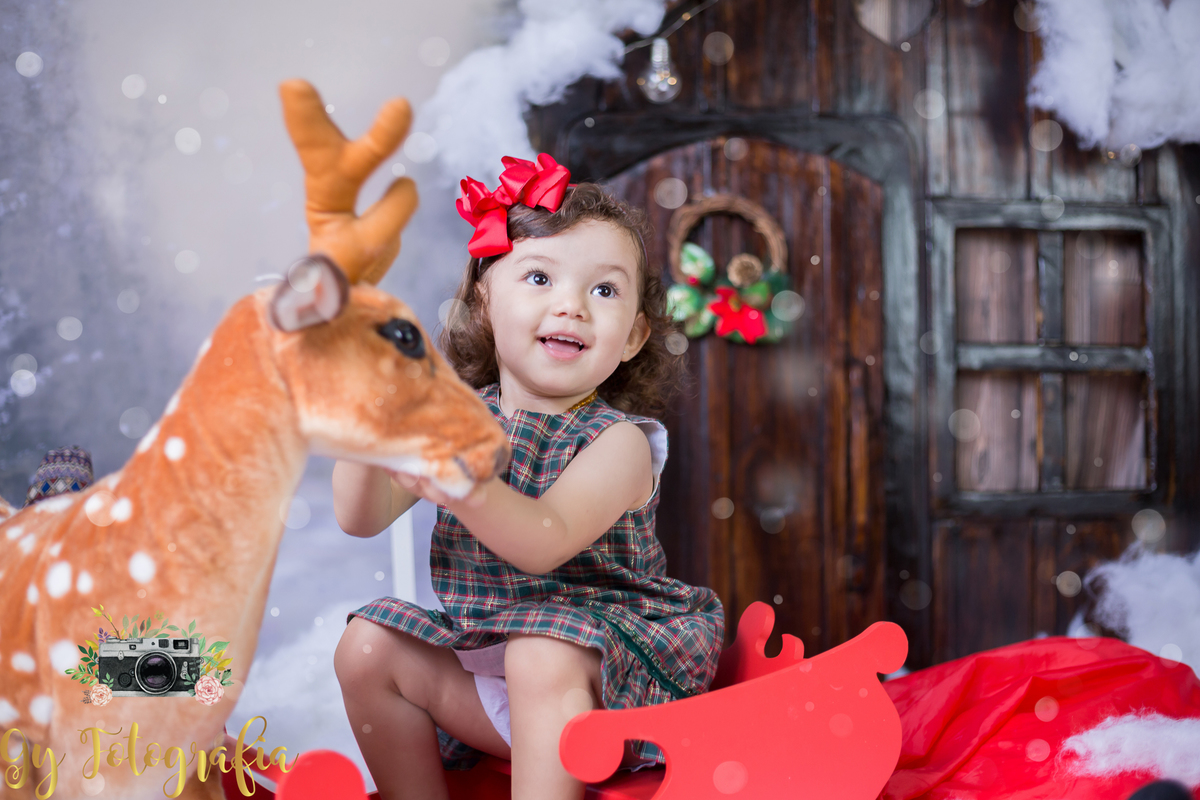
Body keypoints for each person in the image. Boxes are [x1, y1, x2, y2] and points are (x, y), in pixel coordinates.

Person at [330, 153, 725, 800]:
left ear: (632, 336)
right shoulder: (455, 420)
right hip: (494, 670)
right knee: (367, 645)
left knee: (541, 648)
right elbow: (361, 515)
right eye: (539, 277)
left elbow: (545, 538)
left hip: (613, 689)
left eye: (604, 290)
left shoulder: (617, 442)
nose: (572, 307)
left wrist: (469, 488)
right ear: (483, 302)